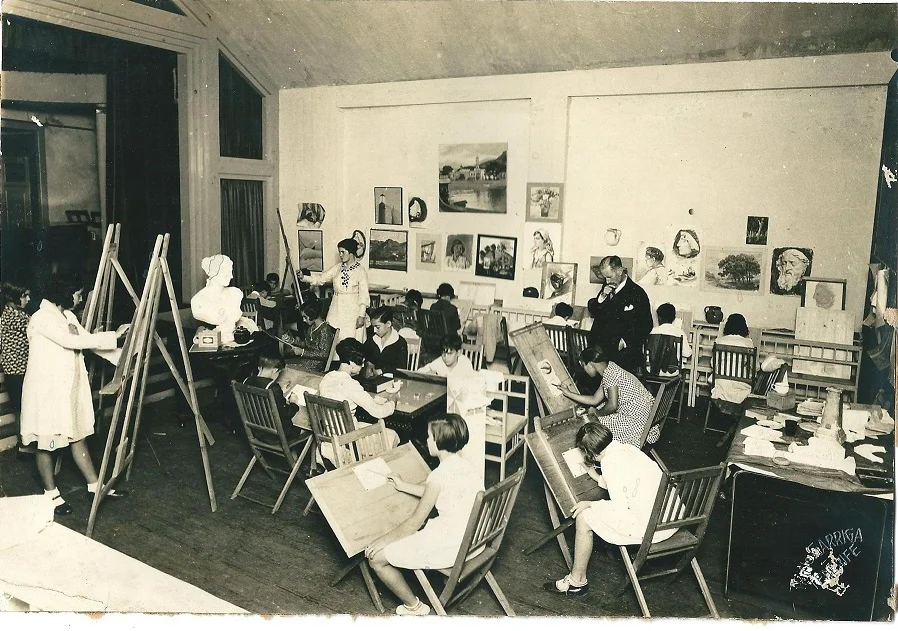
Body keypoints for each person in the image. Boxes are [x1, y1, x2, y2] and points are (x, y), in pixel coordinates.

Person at [20, 277, 130, 515]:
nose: (81, 298)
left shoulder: (68, 316)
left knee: (77, 435)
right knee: (47, 444)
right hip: (47, 393)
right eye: (78, 294)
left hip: (69, 389)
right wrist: (115, 335)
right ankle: (51, 494)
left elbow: (88, 342)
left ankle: (94, 485)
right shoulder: (41, 319)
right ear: (65, 293)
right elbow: (71, 341)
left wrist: (122, 357)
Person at [366, 414, 483, 616]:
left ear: (438, 441)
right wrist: (403, 486)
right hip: (476, 541)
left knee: (376, 558)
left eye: (429, 436)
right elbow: (439, 490)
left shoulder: (438, 475)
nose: (427, 440)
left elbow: (414, 523)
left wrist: (381, 541)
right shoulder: (466, 466)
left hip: (454, 548)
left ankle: (415, 607)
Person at [544, 422, 672, 596]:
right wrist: (594, 475)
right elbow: (623, 481)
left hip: (653, 529)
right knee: (593, 512)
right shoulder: (628, 448)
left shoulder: (609, 463)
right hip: (671, 518)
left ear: (589, 453)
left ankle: (577, 581)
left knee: (584, 517)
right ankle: (577, 579)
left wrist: (590, 504)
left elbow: (620, 507)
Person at [561, 346, 657, 447]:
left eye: (583, 366)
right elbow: (595, 399)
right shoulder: (610, 368)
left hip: (637, 425)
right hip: (647, 419)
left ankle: (597, 455)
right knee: (595, 415)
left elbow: (612, 406)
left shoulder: (609, 375)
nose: (584, 370)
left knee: (591, 427)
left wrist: (596, 414)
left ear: (590, 364)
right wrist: (568, 393)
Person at [318, 339, 399, 450]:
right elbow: (378, 412)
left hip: (330, 437)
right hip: (350, 442)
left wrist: (373, 399)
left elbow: (342, 395)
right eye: (361, 362)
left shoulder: (326, 378)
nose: (362, 367)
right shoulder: (351, 384)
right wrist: (392, 402)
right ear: (351, 363)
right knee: (392, 435)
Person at [586, 256, 653, 374]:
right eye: (605, 277)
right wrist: (602, 296)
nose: (607, 281)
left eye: (609, 277)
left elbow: (647, 324)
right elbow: (595, 311)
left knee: (615, 385)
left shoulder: (637, 293)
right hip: (601, 349)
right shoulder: (606, 287)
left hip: (623, 351)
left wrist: (625, 341)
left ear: (620, 271)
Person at [299, 238, 369, 342]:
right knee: (331, 332)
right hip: (336, 307)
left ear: (351, 252)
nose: (340, 255)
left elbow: (364, 295)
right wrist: (303, 277)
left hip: (352, 309)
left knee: (349, 336)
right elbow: (321, 279)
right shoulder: (337, 268)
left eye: (342, 252)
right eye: (339, 252)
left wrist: (361, 316)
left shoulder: (360, 271)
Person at [191, 253, 256, 344]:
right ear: (215, 273)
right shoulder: (198, 300)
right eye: (227, 272)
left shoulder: (235, 293)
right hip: (215, 344)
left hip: (236, 341)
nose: (231, 276)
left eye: (231, 272)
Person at [0, 282, 32, 455]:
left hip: (14, 371)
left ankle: (24, 444)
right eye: (24, 295)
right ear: (13, 298)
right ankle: (24, 444)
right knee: (22, 408)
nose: (28, 298)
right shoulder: (18, 318)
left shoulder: (8, 314)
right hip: (18, 372)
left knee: (21, 408)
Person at [710, 313, 755, 407]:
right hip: (741, 385)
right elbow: (754, 367)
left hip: (721, 383)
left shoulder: (719, 341)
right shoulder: (748, 343)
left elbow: (713, 363)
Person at [243, 352, 299, 423]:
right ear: (275, 370)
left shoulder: (247, 380)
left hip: (254, 427)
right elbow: (286, 413)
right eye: (279, 372)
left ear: (259, 367)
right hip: (274, 431)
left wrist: (279, 391)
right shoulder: (273, 388)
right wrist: (294, 403)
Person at [284, 300, 337, 372]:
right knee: (283, 363)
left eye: (305, 317)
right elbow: (307, 344)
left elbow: (324, 354)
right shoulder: (312, 327)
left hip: (315, 365)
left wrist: (302, 352)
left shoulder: (324, 330)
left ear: (313, 315)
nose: (304, 320)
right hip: (307, 360)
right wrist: (292, 341)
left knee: (285, 367)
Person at [647, 302, 693, 375]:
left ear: (659, 317)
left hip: (652, 370)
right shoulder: (679, 332)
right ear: (674, 318)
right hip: (672, 372)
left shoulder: (652, 332)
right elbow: (687, 353)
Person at [363, 306, 408, 377]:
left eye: (377, 327)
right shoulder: (372, 339)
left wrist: (381, 371)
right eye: (373, 327)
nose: (374, 330)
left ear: (388, 324)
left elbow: (401, 368)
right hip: (374, 379)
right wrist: (368, 363)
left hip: (392, 379)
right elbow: (364, 355)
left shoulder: (400, 342)